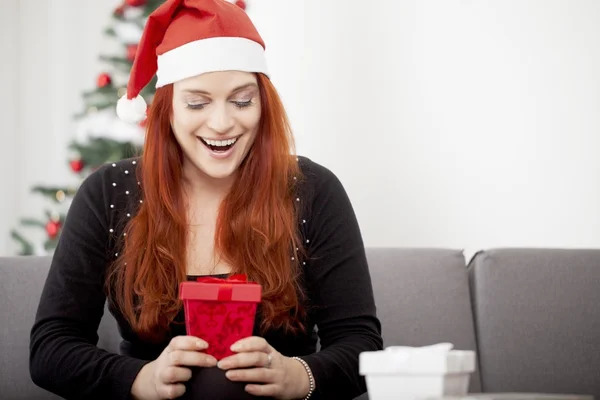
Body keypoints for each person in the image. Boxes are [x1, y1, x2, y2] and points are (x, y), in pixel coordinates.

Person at [29, 0, 383, 399]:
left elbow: (363, 346)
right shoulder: (109, 193)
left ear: (263, 104)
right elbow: (51, 349)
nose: (221, 123)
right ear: (167, 109)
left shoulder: (312, 188)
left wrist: (299, 376)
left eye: (242, 100)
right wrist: (139, 379)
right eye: (197, 103)